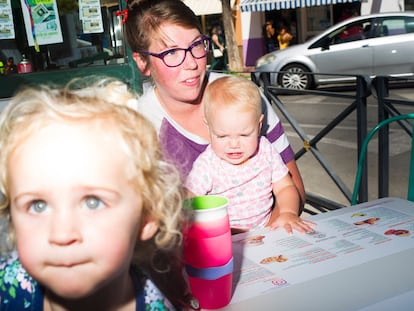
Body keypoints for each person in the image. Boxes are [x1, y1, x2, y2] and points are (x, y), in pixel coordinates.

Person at [0, 78, 194, 310]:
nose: (62, 234)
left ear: (147, 216)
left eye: (93, 202)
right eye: (37, 205)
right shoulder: (7, 284)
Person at [123, 0, 305, 213]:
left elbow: (295, 189)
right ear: (142, 62)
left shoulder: (243, 96)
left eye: (196, 45)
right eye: (171, 52)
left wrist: (265, 236)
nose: (191, 63)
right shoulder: (137, 129)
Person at [185, 76, 314, 234]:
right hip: (224, 238)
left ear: (259, 125)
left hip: (266, 232)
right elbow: (188, 197)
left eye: (245, 135)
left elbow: (285, 187)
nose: (234, 145)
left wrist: (288, 212)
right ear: (209, 126)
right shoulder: (208, 163)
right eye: (222, 136)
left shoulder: (265, 150)